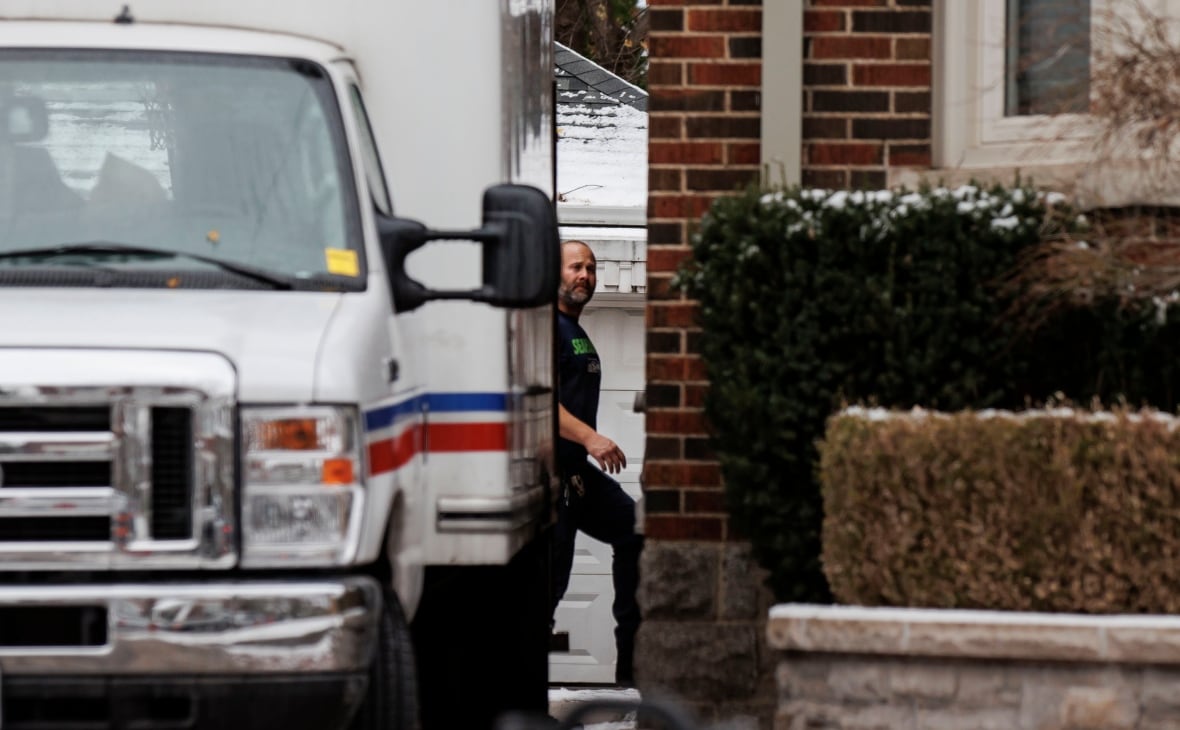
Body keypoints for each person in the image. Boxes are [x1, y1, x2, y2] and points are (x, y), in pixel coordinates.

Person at [551, 239, 644, 687]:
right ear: (556, 273)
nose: (584, 275)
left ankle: (631, 668)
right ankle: (525, 705)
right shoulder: (548, 329)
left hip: (577, 475)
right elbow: (541, 401)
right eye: (575, 267)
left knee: (634, 528)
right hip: (553, 478)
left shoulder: (576, 330)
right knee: (549, 586)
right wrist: (590, 437)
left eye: (591, 267)